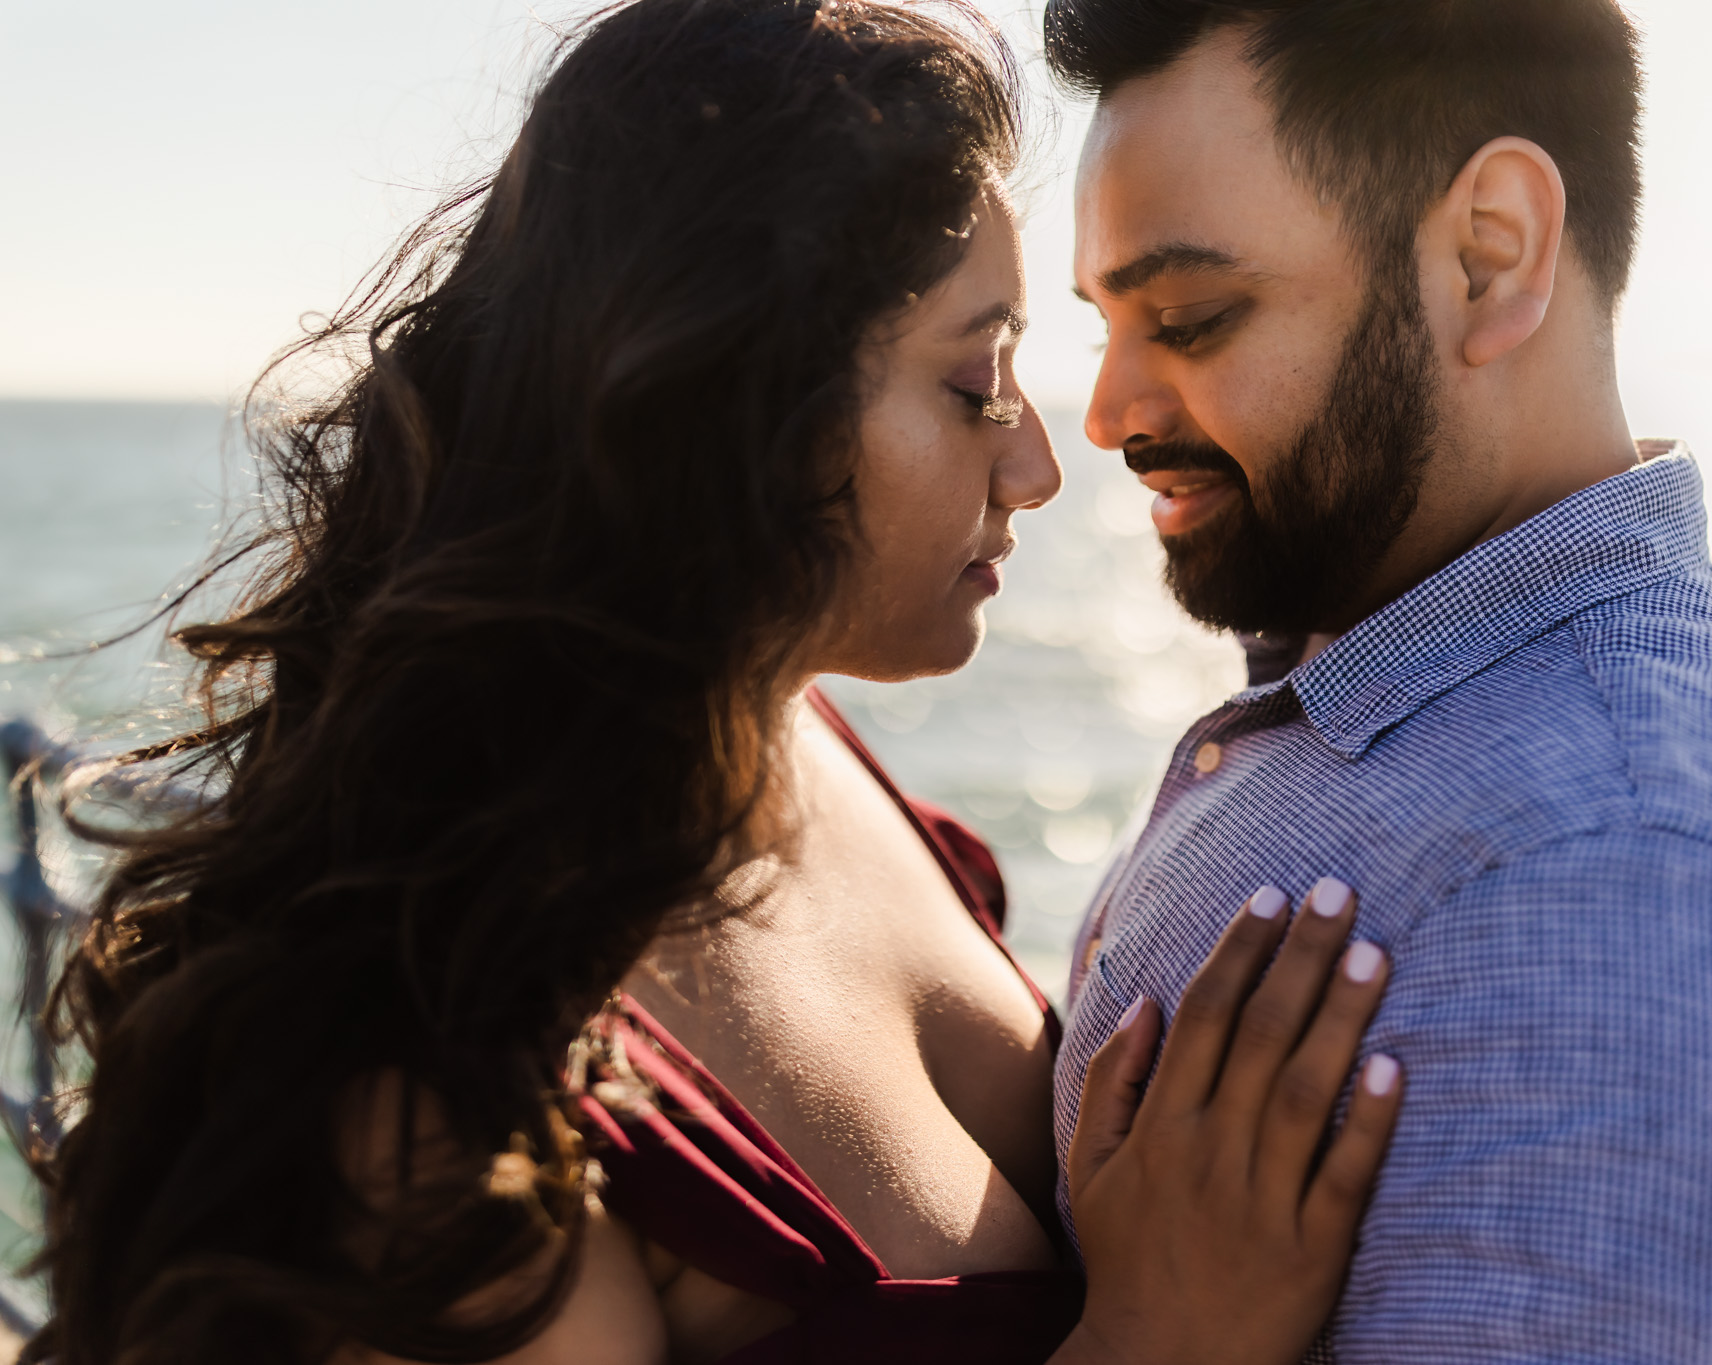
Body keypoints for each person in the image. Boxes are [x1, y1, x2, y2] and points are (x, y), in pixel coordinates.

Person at [25, 3, 1406, 1363]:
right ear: (741, 401)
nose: (1038, 465)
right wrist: (1161, 1342)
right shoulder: (433, 1086)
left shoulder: (788, 743)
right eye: (978, 381)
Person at [1047, 0, 1712, 1360]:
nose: (1108, 412)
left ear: (1489, 256)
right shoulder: (1389, 696)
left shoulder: (1663, 916)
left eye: (1193, 316)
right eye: (1106, 323)